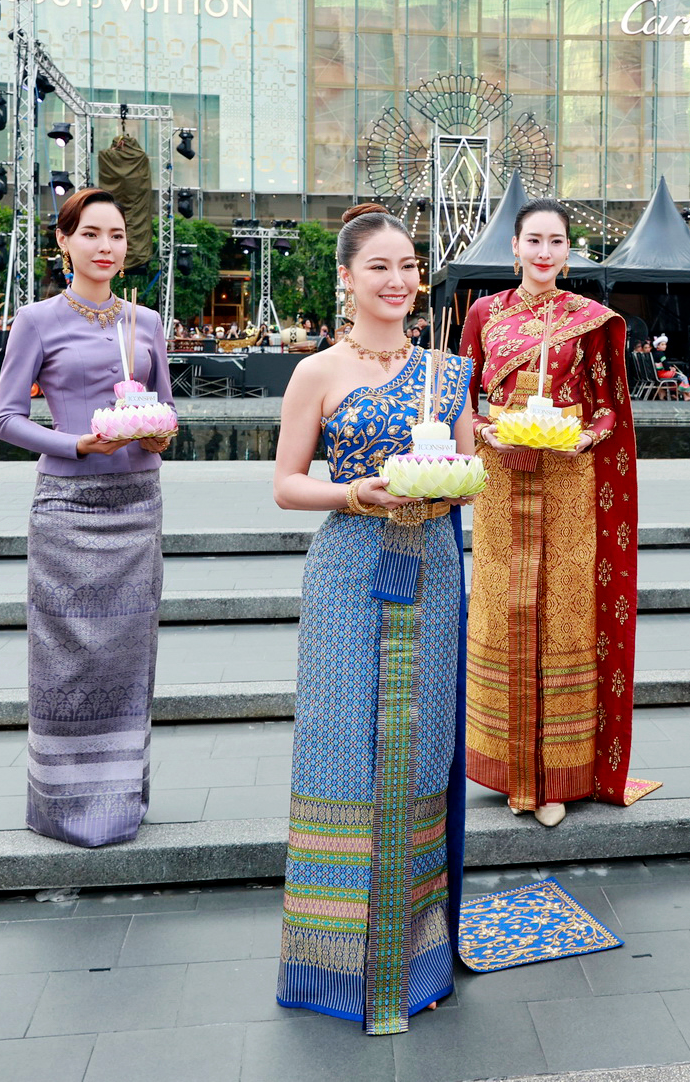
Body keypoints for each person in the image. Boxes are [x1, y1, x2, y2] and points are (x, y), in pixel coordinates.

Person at [272, 204, 476, 1033]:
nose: (398, 281)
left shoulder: (448, 372)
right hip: (349, 569)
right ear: (347, 278)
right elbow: (288, 484)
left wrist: (456, 479)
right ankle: (331, 963)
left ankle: (412, 956)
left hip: (432, 566)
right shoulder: (317, 372)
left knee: (420, 750)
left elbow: (468, 469)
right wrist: (356, 492)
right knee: (343, 754)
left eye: (409, 266)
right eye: (380, 267)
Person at [0, 189, 174, 848]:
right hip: (67, 507)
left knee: (130, 655)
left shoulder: (146, 321)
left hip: (137, 504)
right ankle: (63, 804)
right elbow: (5, 418)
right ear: (63, 242)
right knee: (64, 656)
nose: (105, 246)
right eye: (90, 233)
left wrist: (158, 434)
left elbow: (168, 412)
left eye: (116, 235)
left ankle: (121, 799)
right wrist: (76, 444)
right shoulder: (37, 320)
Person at [460, 198, 644, 827]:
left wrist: (580, 437)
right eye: (533, 240)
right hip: (500, 477)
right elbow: (465, 396)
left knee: (564, 614)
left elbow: (609, 406)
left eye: (556, 241)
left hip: (568, 480)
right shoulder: (484, 313)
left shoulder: (589, 321)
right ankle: (510, 770)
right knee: (503, 609)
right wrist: (492, 434)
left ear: (569, 251)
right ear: (514, 247)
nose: (544, 252)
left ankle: (559, 776)